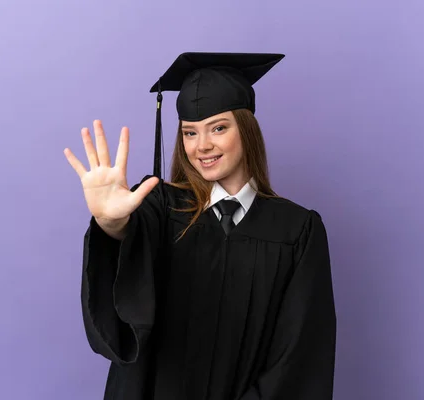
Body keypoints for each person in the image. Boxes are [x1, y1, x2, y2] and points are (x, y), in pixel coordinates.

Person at [63, 52, 337, 400]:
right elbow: (129, 249)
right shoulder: (160, 206)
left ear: (246, 129)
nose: (201, 146)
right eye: (189, 133)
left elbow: (299, 353)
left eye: (218, 128)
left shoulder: (297, 231)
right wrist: (111, 223)